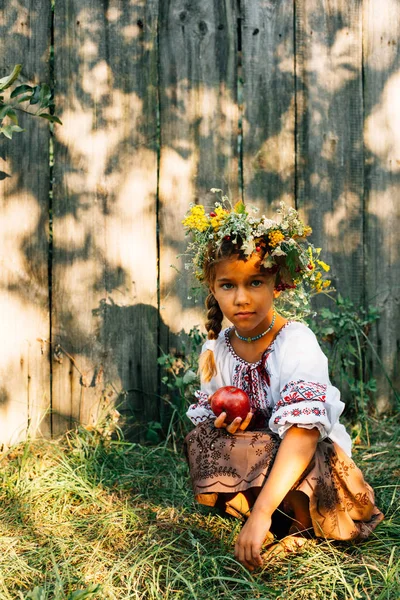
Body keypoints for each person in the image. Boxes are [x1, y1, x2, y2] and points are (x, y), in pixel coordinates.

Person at [182, 194, 384, 571]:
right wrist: (229, 426)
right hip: (265, 460)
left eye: (255, 282)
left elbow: (303, 435)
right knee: (205, 438)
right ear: (212, 288)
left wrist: (258, 513)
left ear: (277, 284)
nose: (241, 299)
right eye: (228, 286)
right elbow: (216, 421)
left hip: (308, 460)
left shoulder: (296, 341)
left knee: (299, 443)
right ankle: (272, 517)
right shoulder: (219, 348)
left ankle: (292, 525)